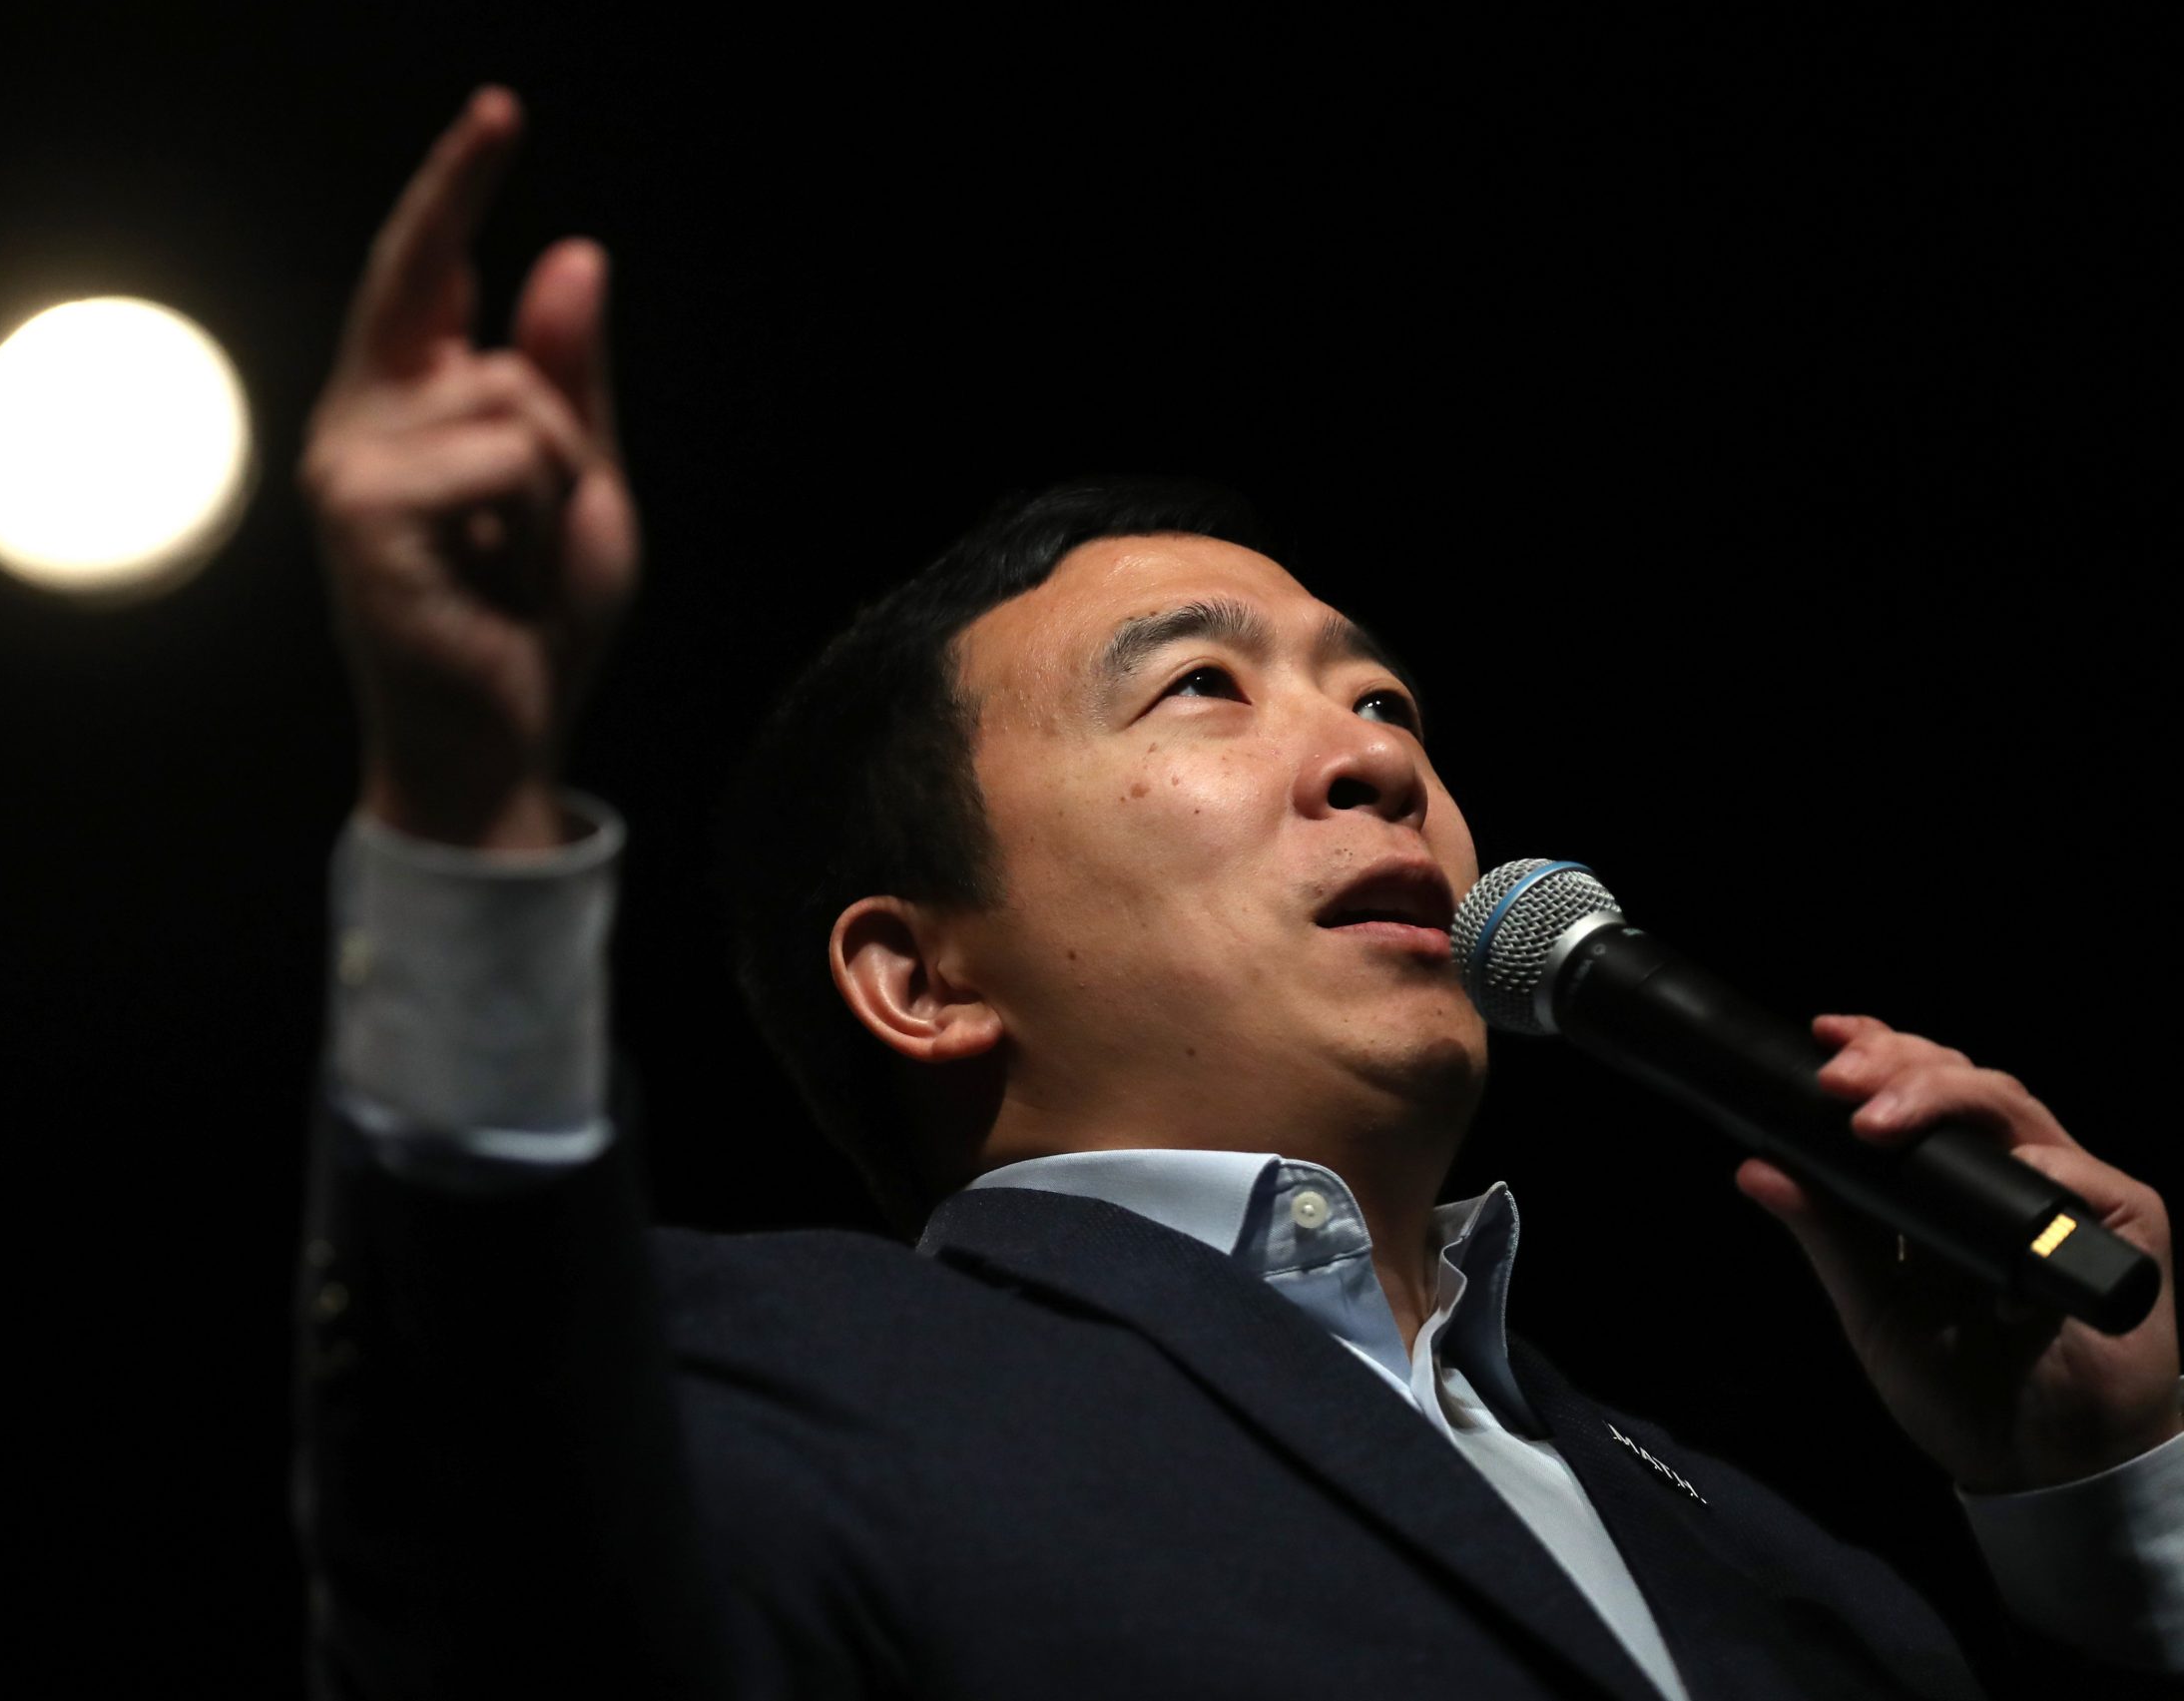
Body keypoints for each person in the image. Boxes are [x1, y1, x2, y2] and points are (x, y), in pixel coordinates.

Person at [291, 86, 2183, 1699]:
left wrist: (2109, 1511)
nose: (1378, 757)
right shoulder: (783, 1374)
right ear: (917, 973)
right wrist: (464, 806)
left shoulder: (1797, 1562)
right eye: (1202, 686)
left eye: (1386, 701)